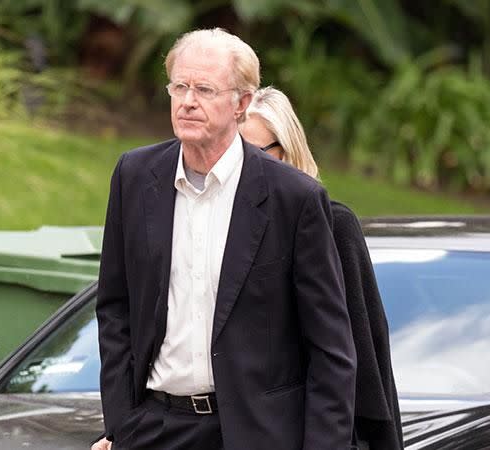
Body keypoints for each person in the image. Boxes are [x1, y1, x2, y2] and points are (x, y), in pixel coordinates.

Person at [93, 29, 356, 450]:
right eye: (179, 86)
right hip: (156, 428)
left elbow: (330, 347)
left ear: (242, 104)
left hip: (259, 434)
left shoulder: (294, 198)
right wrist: (122, 423)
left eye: (204, 89)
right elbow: (115, 307)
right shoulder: (135, 176)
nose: (188, 100)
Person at [239, 86, 404, 449]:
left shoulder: (333, 226)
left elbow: (366, 350)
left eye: (254, 153)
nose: (240, 167)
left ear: (287, 152)